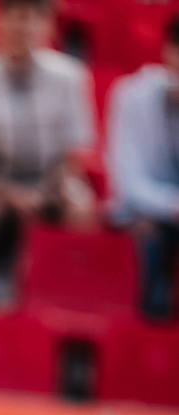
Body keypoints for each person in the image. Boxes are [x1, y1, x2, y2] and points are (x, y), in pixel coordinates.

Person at [0, 0, 98, 307]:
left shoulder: (70, 75)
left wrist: (46, 189)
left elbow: (75, 150)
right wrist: (12, 194)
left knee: (80, 204)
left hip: (51, 178)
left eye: (34, 18)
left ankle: (66, 291)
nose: (24, 27)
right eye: (16, 18)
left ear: (49, 25)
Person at [106, 13, 179, 322]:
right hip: (145, 212)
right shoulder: (132, 94)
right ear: (168, 50)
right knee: (145, 232)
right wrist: (172, 207)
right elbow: (128, 184)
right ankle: (145, 327)